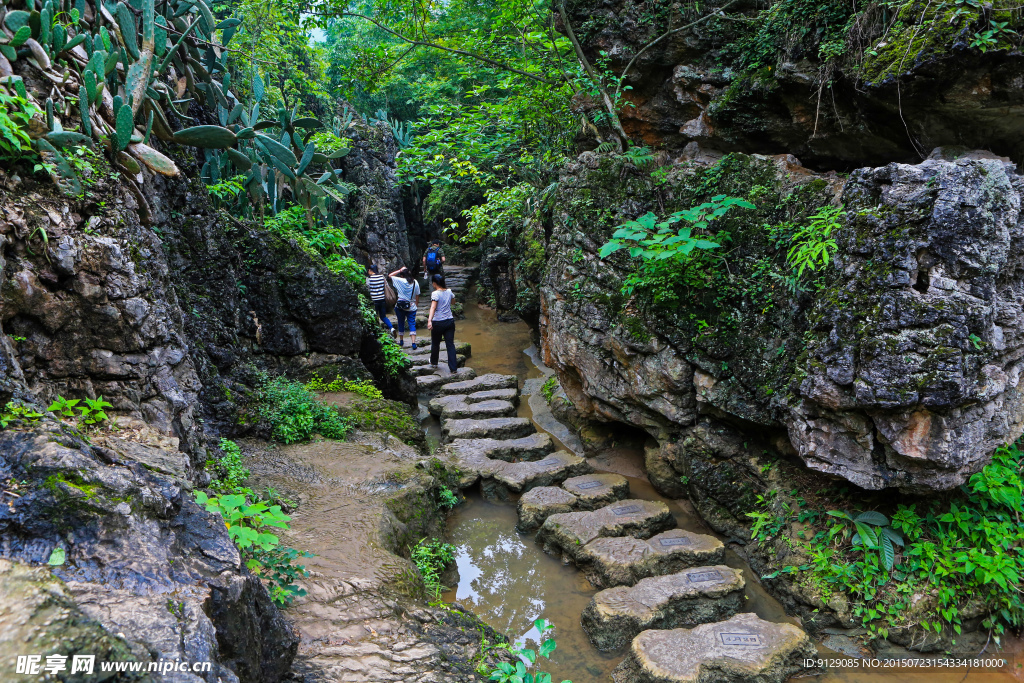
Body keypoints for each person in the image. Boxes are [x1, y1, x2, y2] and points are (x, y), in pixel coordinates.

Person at [427, 273, 458, 372]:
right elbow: (453, 302)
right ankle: (453, 368)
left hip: (438, 322)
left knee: (435, 343)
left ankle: (434, 362)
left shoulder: (435, 294)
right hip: (449, 321)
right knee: (450, 344)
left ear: (435, 283)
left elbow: (433, 307)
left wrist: (429, 320)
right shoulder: (449, 291)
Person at [388, 266, 420, 349]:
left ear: (402, 275)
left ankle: (401, 341)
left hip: (400, 306)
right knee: (412, 323)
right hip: (411, 307)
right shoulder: (415, 282)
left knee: (400, 322)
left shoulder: (400, 281)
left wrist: (399, 270)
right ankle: (413, 343)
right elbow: (417, 295)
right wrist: (416, 305)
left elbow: (390, 275)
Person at [365, 264, 396, 337]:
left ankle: (376, 332)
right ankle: (391, 328)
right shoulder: (381, 277)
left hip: (374, 300)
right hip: (382, 299)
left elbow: (367, 288)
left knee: (375, 316)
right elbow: (385, 286)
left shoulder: (368, 279)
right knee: (383, 316)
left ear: (369, 270)